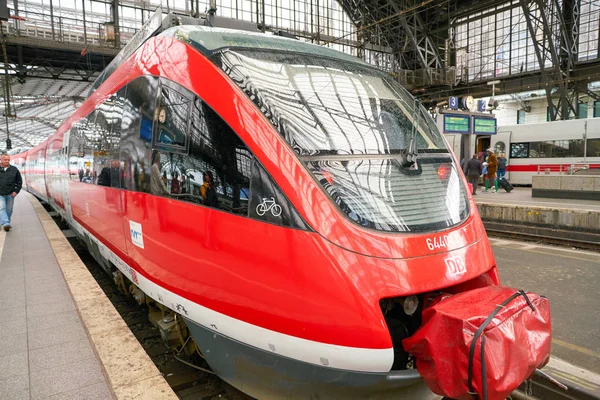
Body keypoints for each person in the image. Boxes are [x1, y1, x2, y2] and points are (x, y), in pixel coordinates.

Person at [0, 153, 23, 231]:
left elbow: (19, 182)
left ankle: (7, 222)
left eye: (8, 159)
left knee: (9, 210)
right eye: (5, 159)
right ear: (1, 160)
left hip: (10, 194)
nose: (7, 161)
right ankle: (5, 223)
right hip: (0, 194)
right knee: (1, 208)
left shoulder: (14, 169)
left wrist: (16, 191)